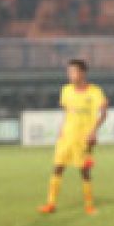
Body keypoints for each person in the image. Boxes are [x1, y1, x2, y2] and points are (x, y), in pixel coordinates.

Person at [38, 59, 107, 215]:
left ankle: (89, 205)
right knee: (57, 167)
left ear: (82, 73)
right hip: (66, 137)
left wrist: (94, 131)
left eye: (73, 72)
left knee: (84, 171)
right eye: (69, 72)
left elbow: (103, 113)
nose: (70, 75)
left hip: (84, 139)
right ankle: (51, 204)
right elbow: (67, 112)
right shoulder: (66, 90)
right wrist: (61, 130)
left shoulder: (94, 91)